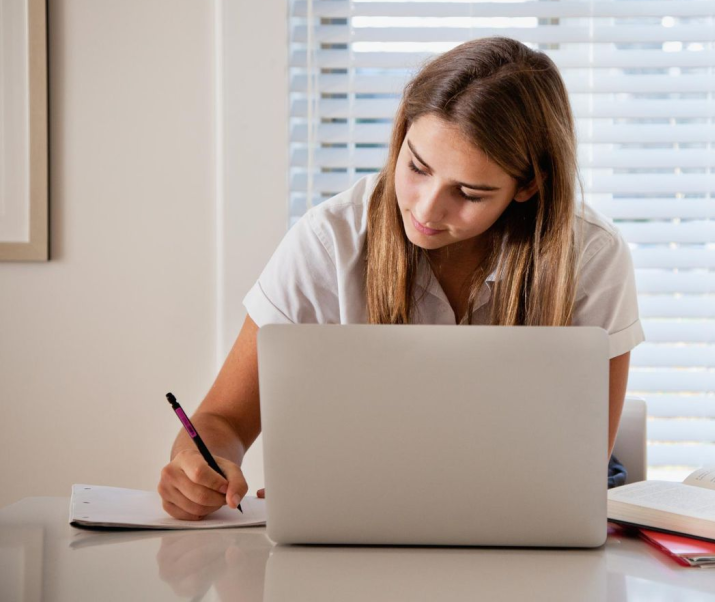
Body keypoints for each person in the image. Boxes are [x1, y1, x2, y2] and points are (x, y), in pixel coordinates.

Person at [158, 37, 645, 520]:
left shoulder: (592, 257)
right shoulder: (331, 242)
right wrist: (197, 466)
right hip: (355, 539)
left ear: (528, 186)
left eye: (470, 193)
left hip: (521, 535)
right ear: (402, 134)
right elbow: (222, 420)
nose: (426, 209)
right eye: (416, 167)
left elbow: (581, 465)